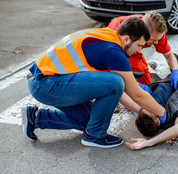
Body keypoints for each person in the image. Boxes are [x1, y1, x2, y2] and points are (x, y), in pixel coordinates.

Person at [22, 17, 167, 148]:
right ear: (127, 39)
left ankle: (35, 117)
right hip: (45, 84)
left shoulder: (108, 36)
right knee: (115, 82)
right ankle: (95, 135)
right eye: (140, 45)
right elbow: (136, 94)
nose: (140, 50)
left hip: (45, 81)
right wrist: (162, 113)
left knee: (92, 120)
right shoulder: (113, 52)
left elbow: (118, 93)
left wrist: (142, 111)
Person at [107, 11, 178, 89]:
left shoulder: (157, 34)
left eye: (158, 39)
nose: (156, 42)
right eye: (153, 39)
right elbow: (112, 65)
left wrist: (176, 71)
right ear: (143, 33)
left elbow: (168, 55)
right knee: (133, 75)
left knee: (146, 77)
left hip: (133, 46)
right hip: (120, 48)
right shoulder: (119, 34)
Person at [123, 54, 178, 150]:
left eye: (145, 109)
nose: (149, 107)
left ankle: (150, 66)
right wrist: (149, 142)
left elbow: (123, 95)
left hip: (157, 87)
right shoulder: (176, 114)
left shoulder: (144, 112)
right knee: (174, 57)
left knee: (151, 75)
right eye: (151, 110)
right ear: (159, 121)